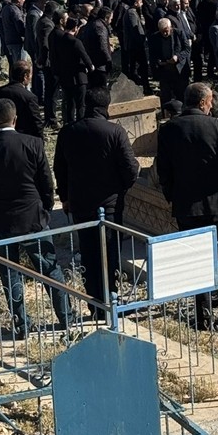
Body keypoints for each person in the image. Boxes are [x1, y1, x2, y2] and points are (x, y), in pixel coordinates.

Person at [0, 98, 69, 337]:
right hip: (32, 218)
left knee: (10, 274)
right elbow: (46, 181)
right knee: (50, 270)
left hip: (0, 221)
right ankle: (67, 317)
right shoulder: (33, 144)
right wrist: (45, 206)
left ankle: (22, 324)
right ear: (15, 119)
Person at [155, 82, 218, 329]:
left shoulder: (168, 129)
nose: (211, 106)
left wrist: (171, 194)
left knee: (195, 259)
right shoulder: (217, 126)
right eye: (210, 103)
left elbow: (162, 169)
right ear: (203, 103)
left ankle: (203, 314)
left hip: (187, 205)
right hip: (217, 201)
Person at [54, 86, 139, 313]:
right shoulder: (114, 132)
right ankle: (109, 301)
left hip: (80, 203)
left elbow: (59, 170)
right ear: (106, 107)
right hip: (110, 204)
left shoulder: (68, 132)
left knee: (89, 255)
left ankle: (95, 303)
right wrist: (120, 188)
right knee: (110, 254)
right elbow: (131, 170)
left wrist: (65, 197)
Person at [0, 59, 46, 140]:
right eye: (31, 74)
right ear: (25, 76)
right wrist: (39, 143)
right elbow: (36, 124)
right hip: (23, 140)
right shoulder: (29, 97)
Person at [52, 15, 92, 125]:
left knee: (69, 102)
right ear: (75, 28)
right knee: (80, 104)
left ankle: (68, 123)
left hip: (65, 75)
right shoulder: (76, 42)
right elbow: (85, 57)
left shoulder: (60, 40)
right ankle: (81, 123)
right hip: (79, 77)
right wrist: (90, 67)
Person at [148, 16, 190, 106]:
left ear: (170, 27)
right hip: (165, 71)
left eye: (166, 30)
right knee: (166, 96)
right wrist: (158, 61)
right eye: (162, 31)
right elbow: (152, 54)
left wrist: (177, 57)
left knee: (181, 94)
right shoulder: (154, 38)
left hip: (178, 70)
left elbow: (187, 49)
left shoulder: (179, 33)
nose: (165, 33)